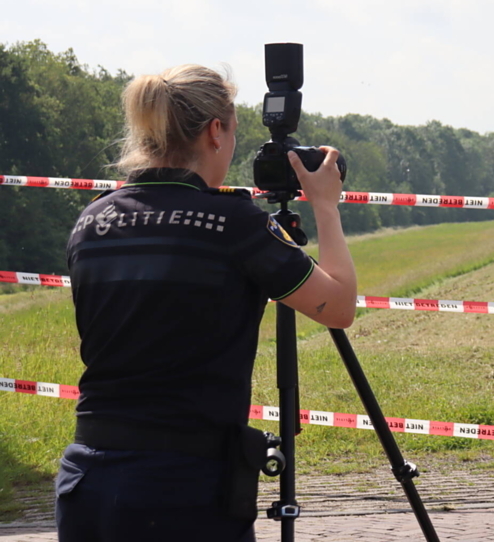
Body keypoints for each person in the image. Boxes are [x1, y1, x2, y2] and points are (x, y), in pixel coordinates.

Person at [57, 65, 358, 541]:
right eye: (235, 132)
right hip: (183, 488)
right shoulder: (233, 223)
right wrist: (325, 204)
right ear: (215, 132)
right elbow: (339, 306)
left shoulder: (92, 219)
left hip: (87, 481)